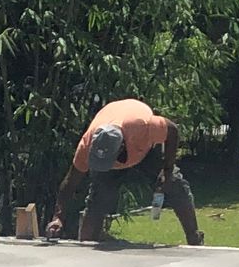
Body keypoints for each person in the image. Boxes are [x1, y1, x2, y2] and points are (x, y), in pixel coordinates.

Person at [45, 96, 204, 246]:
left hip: (146, 149)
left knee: (175, 184)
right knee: (98, 198)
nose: (110, 164)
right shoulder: (87, 145)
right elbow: (70, 183)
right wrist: (57, 218)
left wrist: (167, 170)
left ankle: (194, 237)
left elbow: (172, 130)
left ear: (121, 147)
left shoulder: (143, 126)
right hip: (118, 129)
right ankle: (87, 243)